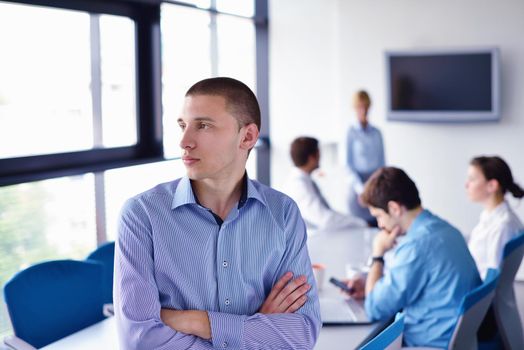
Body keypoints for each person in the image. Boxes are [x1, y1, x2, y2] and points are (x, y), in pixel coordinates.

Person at [114, 77, 321, 349]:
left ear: (247, 136)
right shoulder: (141, 216)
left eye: (203, 126)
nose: (184, 141)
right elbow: (138, 340)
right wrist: (256, 327)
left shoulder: (282, 213)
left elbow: (302, 334)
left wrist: (198, 322)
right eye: (182, 126)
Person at [343, 167, 481, 347]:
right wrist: (371, 283)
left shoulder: (416, 246)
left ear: (394, 208)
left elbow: (374, 308)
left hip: (430, 343)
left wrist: (378, 254)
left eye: (378, 216)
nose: (380, 224)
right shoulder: (446, 230)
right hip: (460, 340)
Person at [284, 136, 367, 231]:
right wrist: (361, 223)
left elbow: (328, 213)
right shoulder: (298, 185)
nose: (320, 157)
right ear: (312, 158)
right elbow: (326, 219)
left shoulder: (303, 180)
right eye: (319, 153)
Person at [465, 155, 524, 279]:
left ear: (492, 185)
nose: (466, 184)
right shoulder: (491, 217)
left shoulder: (503, 226)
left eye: (472, 179)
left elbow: (491, 280)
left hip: (485, 296)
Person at [346, 90, 385, 226]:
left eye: (366, 106)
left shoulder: (377, 133)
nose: (363, 110)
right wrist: (362, 190)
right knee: (359, 227)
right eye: (360, 107)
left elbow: (382, 164)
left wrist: (375, 186)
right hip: (358, 189)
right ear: (355, 108)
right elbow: (347, 166)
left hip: (374, 184)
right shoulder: (350, 133)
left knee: (378, 223)